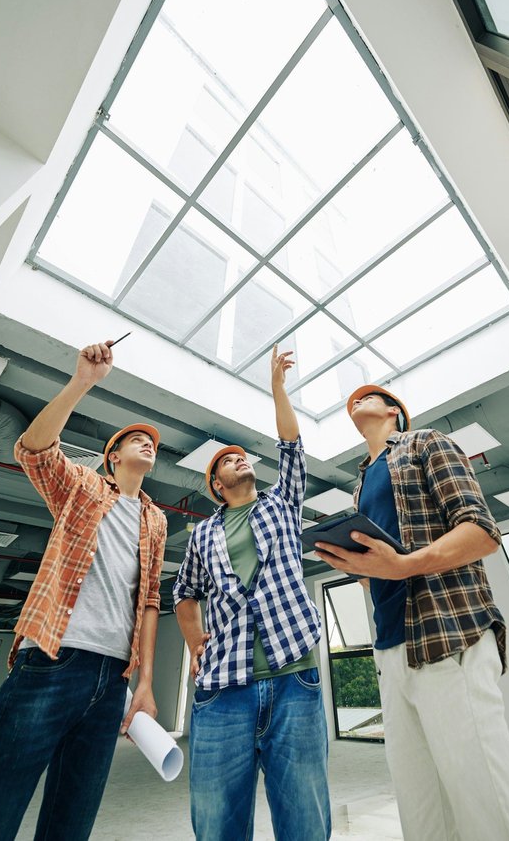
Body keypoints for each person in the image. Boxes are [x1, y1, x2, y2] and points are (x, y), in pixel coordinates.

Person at [314, 384, 509, 841]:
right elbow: (381, 572)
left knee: (483, 797)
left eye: (371, 395)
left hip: (447, 634)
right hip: (391, 651)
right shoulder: (361, 482)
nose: (357, 398)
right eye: (351, 398)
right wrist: (360, 567)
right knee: (421, 808)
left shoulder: (425, 443)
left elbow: (481, 530)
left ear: (395, 412)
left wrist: (404, 565)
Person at [0, 340, 167, 841]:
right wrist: (82, 381)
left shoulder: (156, 518)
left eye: (151, 440)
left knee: (73, 818)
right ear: (112, 457)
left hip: (112, 679)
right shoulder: (83, 486)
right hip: (53, 658)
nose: (148, 443)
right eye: (135, 439)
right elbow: (33, 451)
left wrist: (146, 681)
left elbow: (150, 601)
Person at [173, 345, 331, 841]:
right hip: (223, 689)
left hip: (293, 680)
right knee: (217, 822)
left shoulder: (281, 504)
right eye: (227, 461)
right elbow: (183, 593)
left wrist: (278, 389)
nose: (239, 459)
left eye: (241, 456)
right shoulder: (203, 533)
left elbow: (292, 448)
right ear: (217, 485)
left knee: (305, 820)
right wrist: (195, 639)